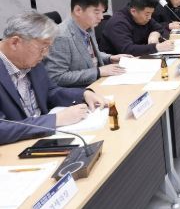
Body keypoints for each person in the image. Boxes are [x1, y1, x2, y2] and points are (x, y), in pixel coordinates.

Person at [0, 11, 107, 145]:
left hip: (45, 139)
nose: (46, 54)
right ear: (15, 43)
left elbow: (50, 91)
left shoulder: (30, 61)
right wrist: (55, 120)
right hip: (14, 147)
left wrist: (84, 94)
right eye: (43, 47)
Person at [44, 0, 130, 88]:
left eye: (102, 12)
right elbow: (57, 77)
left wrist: (110, 58)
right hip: (80, 92)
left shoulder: (88, 26)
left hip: (98, 84)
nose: (101, 17)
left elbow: (88, 55)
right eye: (96, 12)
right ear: (78, 10)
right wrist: (98, 72)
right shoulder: (61, 36)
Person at [100, 0, 174, 56]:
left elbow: (161, 29)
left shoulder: (144, 17)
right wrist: (157, 47)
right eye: (147, 14)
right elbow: (128, 50)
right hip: (117, 63)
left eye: (151, 13)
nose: (149, 17)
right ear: (133, 11)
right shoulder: (118, 23)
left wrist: (155, 34)